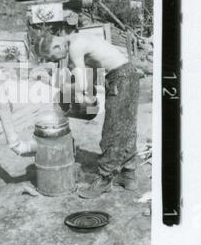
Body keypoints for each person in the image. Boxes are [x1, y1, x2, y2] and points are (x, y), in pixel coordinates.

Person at [35, 30, 140, 199]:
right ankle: (129, 176)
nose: (55, 60)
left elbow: (82, 85)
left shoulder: (75, 46)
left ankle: (104, 180)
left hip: (122, 77)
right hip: (125, 75)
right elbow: (87, 79)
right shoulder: (76, 39)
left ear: (56, 46)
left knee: (112, 131)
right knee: (127, 128)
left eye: (53, 57)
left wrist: (63, 88)